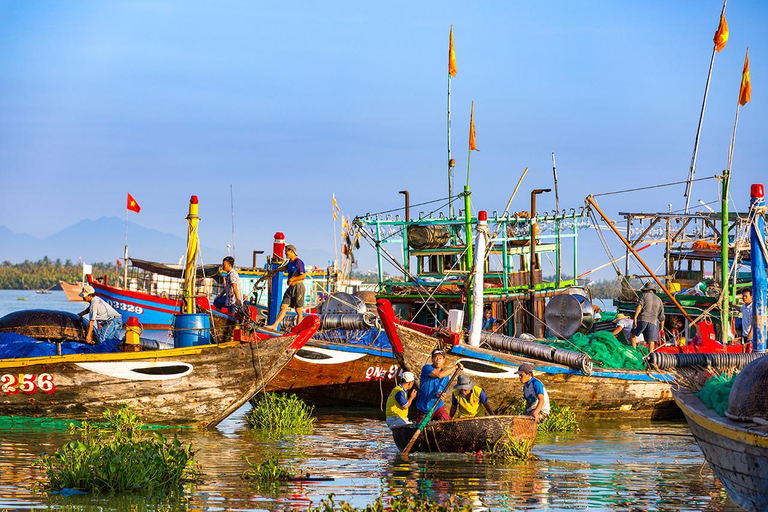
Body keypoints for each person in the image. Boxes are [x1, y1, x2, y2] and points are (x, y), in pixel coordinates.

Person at [413, 348, 463, 422]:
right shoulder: (427, 368)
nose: (437, 360)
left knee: (448, 423)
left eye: (440, 358)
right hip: (424, 408)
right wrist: (455, 367)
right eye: (435, 357)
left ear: (444, 360)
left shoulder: (446, 376)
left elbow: (442, 391)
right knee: (420, 427)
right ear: (432, 359)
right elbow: (439, 375)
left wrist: (441, 394)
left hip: (438, 407)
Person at [266, 244, 307, 330]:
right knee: (283, 307)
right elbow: (285, 267)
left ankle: (299, 329)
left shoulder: (298, 262)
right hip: (290, 288)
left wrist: (293, 279)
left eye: (287, 252)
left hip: (298, 287)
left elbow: (303, 276)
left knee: (298, 310)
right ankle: (274, 325)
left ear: (292, 251)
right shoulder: (290, 263)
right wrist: (276, 270)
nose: (285, 254)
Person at [631, 282, 665, 352]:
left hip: (643, 319)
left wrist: (635, 317)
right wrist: (661, 329)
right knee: (651, 342)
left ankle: (634, 352)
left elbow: (639, 306)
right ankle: (650, 358)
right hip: (654, 322)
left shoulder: (643, 296)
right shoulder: (659, 299)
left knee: (633, 335)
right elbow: (662, 317)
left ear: (646, 290)